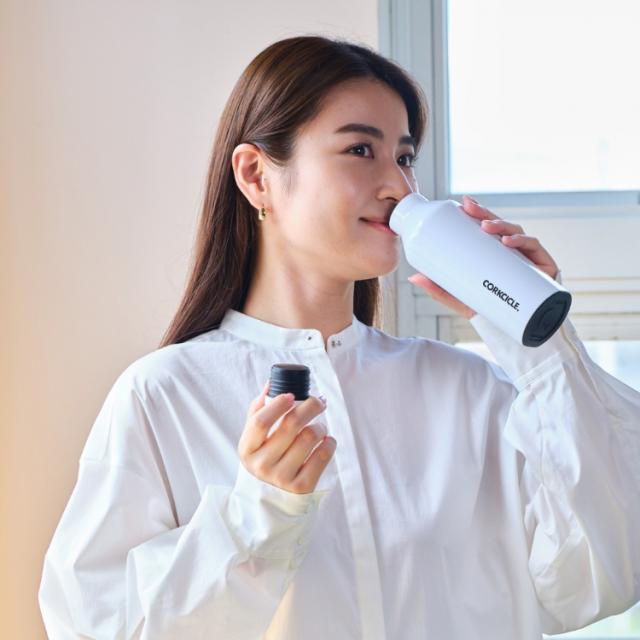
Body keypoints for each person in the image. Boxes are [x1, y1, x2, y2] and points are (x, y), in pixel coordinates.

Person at [38, 35, 640, 640]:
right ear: (256, 176)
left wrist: (543, 347)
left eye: (405, 156)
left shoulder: (470, 391)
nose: (399, 186)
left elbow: (599, 575)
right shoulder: (165, 396)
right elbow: (99, 625)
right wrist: (258, 514)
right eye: (360, 150)